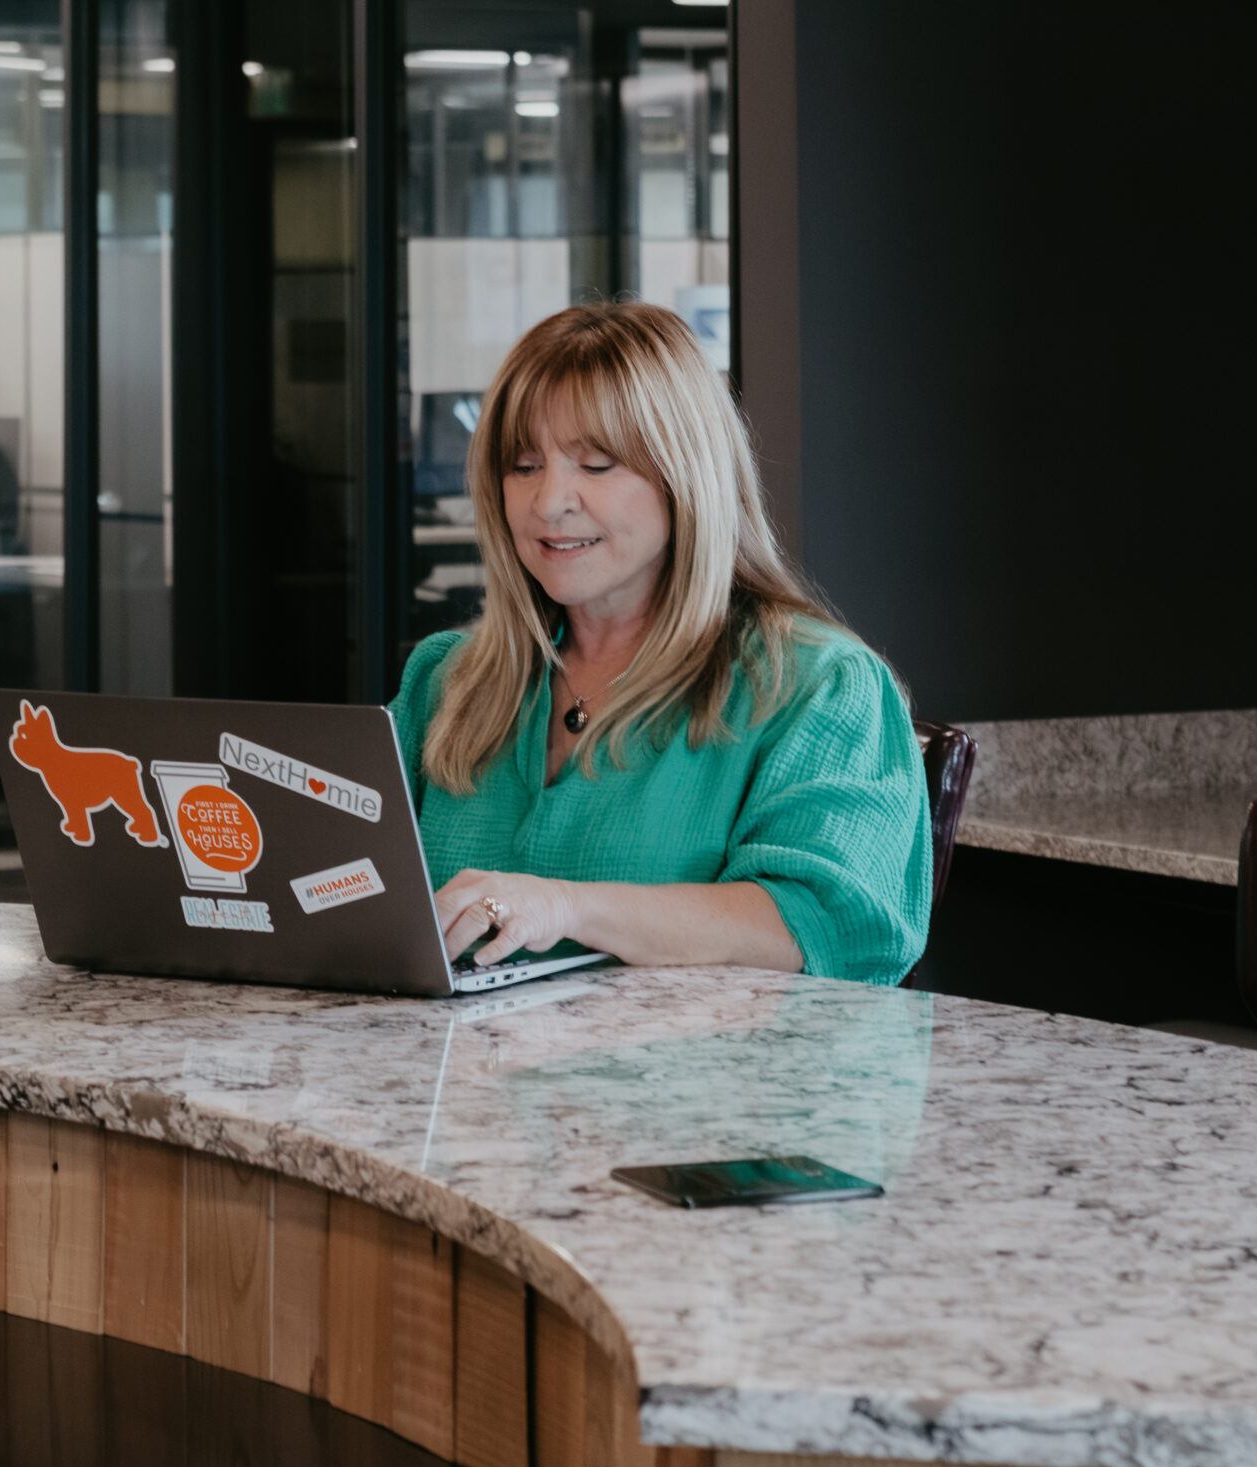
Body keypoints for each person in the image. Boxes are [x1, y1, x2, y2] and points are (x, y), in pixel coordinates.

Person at [390, 301, 932, 983]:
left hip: (702, 1085)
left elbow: (829, 922)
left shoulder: (819, 688)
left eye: (597, 464)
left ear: (687, 479)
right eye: (524, 465)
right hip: (455, 1082)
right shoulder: (446, 679)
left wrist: (565, 906)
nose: (549, 500)